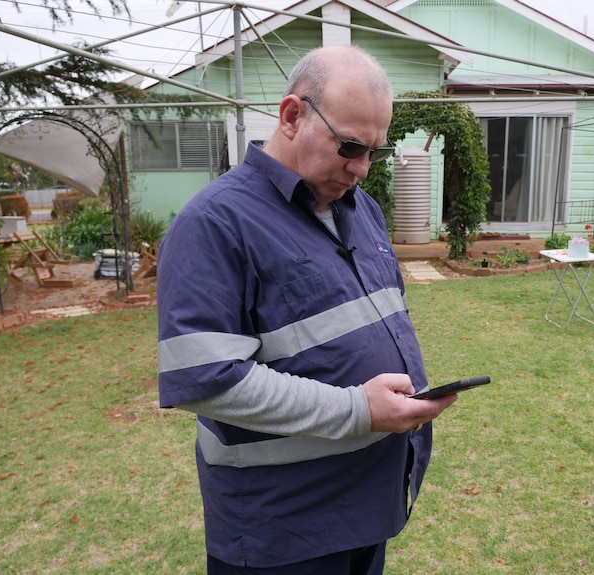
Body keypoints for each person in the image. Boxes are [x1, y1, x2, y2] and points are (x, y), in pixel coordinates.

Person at [157, 45, 457, 574]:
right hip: (286, 531)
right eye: (349, 147)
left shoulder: (361, 208)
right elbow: (204, 379)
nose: (362, 169)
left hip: (367, 506)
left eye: (375, 152)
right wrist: (357, 411)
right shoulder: (214, 223)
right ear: (293, 116)